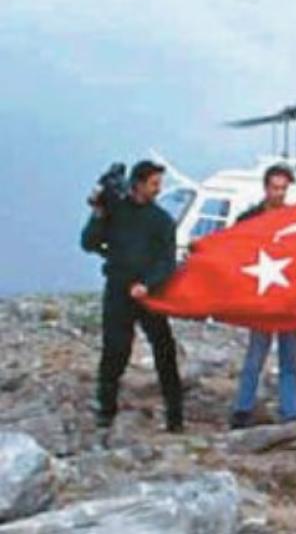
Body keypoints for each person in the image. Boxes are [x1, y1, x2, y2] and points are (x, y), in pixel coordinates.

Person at [81, 160, 184, 432]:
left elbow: (167, 262)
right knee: (115, 351)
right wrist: (98, 214)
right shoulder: (116, 211)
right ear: (138, 184)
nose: (158, 189)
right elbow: (89, 243)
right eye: (154, 184)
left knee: (164, 351)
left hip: (150, 295)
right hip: (118, 290)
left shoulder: (162, 220)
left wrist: (148, 284)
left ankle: (175, 416)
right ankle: (106, 411)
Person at [230, 163, 296, 429]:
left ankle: (291, 412)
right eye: (275, 188)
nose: (279, 193)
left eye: (283, 188)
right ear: (265, 188)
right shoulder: (250, 218)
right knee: (255, 356)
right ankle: (242, 408)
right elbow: (230, 248)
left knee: (289, 359)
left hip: (289, 300)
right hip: (261, 299)